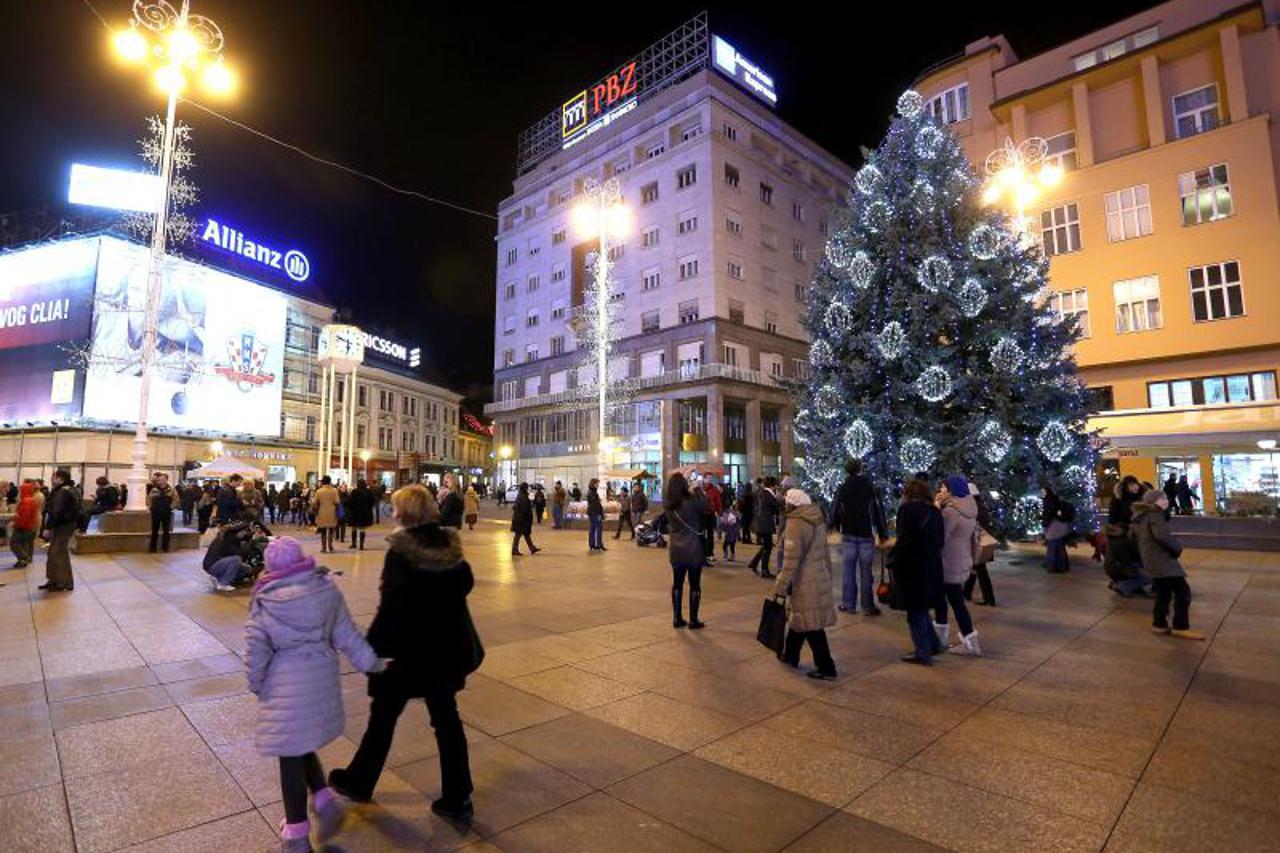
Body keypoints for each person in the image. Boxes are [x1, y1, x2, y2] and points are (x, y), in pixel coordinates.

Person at [329, 485, 481, 822]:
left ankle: (359, 780)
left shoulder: (401, 552)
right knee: (447, 722)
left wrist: (372, 652)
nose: (392, 513)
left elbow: (392, 609)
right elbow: (466, 584)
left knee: (383, 717)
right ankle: (458, 796)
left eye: (396, 509)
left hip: (408, 655)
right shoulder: (450, 546)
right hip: (445, 651)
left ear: (405, 514)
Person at [245, 537, 386, 852]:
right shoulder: (325, 590)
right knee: (299, 740)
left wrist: (257, 685)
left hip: (284, 685)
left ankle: (296, 835)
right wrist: (371, 663)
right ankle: (323, 800)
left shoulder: (266, 601)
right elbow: (347, 634)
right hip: (320, 678)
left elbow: (256, 652)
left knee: (289, 753)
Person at [772, 487, 838, 679]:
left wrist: (780, 586)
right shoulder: (816, 517)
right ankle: (791, 655)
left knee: (812, 625)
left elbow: (790, 560)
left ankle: (826, 667)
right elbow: (825, 551)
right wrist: (828, 575)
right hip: (818, 575)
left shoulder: (795, 523)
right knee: (800, 617)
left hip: (805, 579)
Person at [1131, 489, 1204, 640]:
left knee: (1164, 593)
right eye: (1162, 499)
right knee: (1183, 591)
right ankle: (1180, 627)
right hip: (1162, 561)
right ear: (1154, 502)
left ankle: (1159, 624)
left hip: (1152, 560)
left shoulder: (1143, 517)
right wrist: (1178, 547)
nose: (1166, 501)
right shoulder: (1154, 516)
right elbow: (1162, 537)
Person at [893, 479, 945, 665]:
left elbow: (904, 540)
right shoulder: (935, 512)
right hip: (932, 565)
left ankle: (923, 652)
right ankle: (933, 644)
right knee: (921, 608)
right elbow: (940, 541)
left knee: (915, 611)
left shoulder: (907, 511)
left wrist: (894, 560)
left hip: (913, 567)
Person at [831, 458, 888, 616]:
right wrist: (882, 534)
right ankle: (868, 607)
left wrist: (835, 525)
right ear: (860, 468)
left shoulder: (842, 488)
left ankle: (848, 604)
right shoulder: (870, 487)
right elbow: (878, 511)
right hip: (865, 534)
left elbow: (835, 508)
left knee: (848, 571)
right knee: (866, 572)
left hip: (849, 533)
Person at [935, 476, 982, 656]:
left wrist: (937, 508)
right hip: (962, 560)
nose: (941, 489)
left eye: (943, 487)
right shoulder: (970, 508)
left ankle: (961, 640)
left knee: (947, 601)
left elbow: (941, 537)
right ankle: (968, 640)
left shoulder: (951, 512)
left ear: (951, 490)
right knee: (955, 600)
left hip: (947, 562)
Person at [663, 473, 705, 629]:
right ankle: (693, 620)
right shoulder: (692, 501)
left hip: (676, 549)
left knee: (677, 584)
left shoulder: (668, 503)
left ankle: (677, 618)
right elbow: (706, 508)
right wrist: (698, 489)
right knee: (695, 585)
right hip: (693, 548)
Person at [1103, 475, 1151, 597]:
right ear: (1125, 487)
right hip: (1125, 533)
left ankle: (1129, 584)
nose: (1134, 487)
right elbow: (1113, 518)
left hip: (1137, 533)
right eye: (1130, 485)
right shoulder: (1118, 499)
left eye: (1135, 484)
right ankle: (1126, 584)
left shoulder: (1144, 496)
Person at [41, 469, 79, 592]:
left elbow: (56, 511)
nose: (52, 479)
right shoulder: (69, 489)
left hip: (62, 525)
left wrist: (48, 527)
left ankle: (61, 582)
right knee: (55, 553)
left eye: (54, 477)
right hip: (65, 524)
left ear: (60, 478)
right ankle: (55, 580)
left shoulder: (63, 491)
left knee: (58, 553)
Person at [963, 482, 998, 607]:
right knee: (974, 568)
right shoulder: (980, 505)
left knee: (980, 570)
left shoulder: (974, 507)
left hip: (977, 543)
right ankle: (966, 592)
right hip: (979, 543)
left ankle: (989, 598)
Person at [747, 477, 779, 579]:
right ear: (772, 485)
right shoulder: (768, 494)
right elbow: (776, 507)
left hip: (760, 522)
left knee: (766, 545)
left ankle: (754, 562)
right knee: (768, 547)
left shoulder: (760, 493)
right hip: (765, 523)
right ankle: (764, 570)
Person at [1042, 485, 1074, 573]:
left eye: (1043, 492)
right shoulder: (1057, 501)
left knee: (1052, 548)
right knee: (1060, 548)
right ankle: (1062, 567)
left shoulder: (1048, 502)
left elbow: (1047, 516)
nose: (1042, 494)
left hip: (1053, 528)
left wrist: (1044, 526)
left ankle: (1052, 567)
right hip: (1061, 527)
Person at [9, 481, 39, 569]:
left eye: (20, 490)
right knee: (25, 544)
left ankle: (23, 558)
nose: (19, 492)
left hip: (23, 527)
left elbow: (24, 516)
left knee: (14, 543)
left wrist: (17, 524)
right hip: (30, 526)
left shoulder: (26, 501)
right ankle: (25, 559)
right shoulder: (32, 499)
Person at [147, 473, 176, 553]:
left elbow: (176, 500)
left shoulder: (171, 490)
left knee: (166, 531)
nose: (161, 481)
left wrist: (171, 507)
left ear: (166, 480)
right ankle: (152, 548)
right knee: (154, 531)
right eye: (160, 480)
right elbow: (148, 498)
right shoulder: (154, 489)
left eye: (163, 479)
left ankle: (165, 548)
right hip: (155, 513)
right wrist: (150, 507)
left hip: (166, 513)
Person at [312, 476, 341, 553]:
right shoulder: (334, 491)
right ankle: (330, 546)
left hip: (322, 512)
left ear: (323, 482)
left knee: (323, 531)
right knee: (331, 530)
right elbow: (337, 502)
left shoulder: (319, 491)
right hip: (332, 512)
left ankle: (324, 547)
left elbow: (315, 502)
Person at [510, 483, 539, 556]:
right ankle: (515, 549)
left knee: (525, 534)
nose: (528, 489)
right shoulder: (522, 496)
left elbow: (515, 507)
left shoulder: (522, 495)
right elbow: (525, 508)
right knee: (519, 534)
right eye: (527, 487)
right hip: (521, 519)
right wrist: (529, 516)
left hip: (520, 519)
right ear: (524, 488)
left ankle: (532, 548)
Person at [347, 479, 375, 550]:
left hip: (355, 513)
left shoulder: (354, 492)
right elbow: (372, 502)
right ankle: (361, 545)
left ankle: (354, 544)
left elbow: (350, 502)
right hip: (365, 513)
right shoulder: (368, 492)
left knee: (354, 528)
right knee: (362, 529)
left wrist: (352, 508)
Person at [586, 478, 605, 552]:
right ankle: (598, 545)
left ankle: (592, 545)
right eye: (597, 483)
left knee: (592, 529)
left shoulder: (592, 492)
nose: (598, 485)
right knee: (598, 529)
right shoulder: (592, 493)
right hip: (595, 514)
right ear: (594, 484)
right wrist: (600, 513)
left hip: (593, 513)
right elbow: (595, 505)